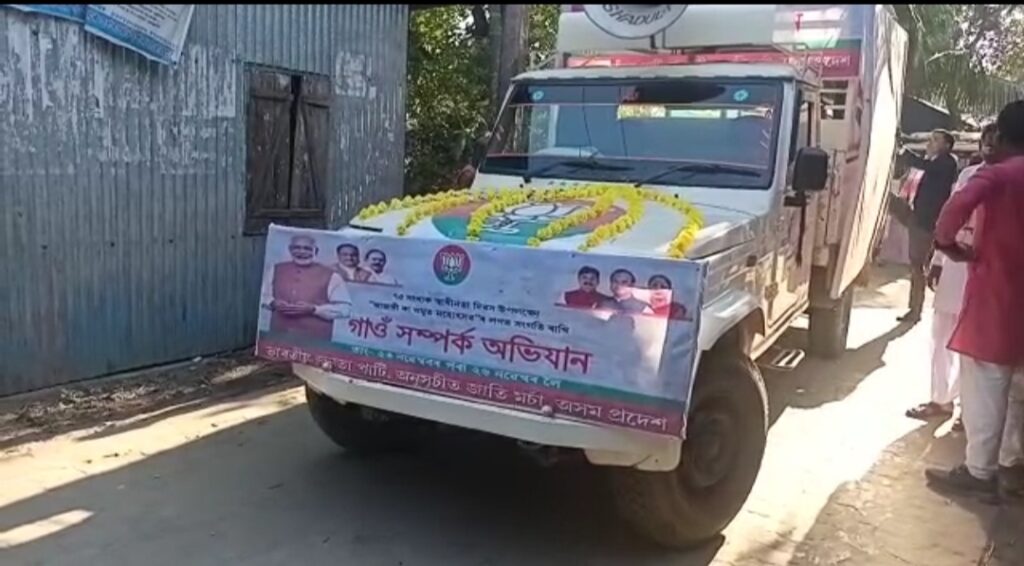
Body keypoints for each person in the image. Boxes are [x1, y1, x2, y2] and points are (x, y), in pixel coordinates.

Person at [924, 102, 1024, 495]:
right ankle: (1013, 461)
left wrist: (948, 246)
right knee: (1017, 386)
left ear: (1002, 134)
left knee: (986, 381)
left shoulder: (996, 175)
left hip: (998, 290)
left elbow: (952, 213)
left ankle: (980, 472)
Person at [906, 125, 998, 426]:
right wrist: (938, 260)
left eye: (996, 142)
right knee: (941, 335)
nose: (989, 147)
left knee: (977, 346)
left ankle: (967, 408)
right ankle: (940, 399)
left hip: (991, 273)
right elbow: (951, 218)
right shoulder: (969, 176)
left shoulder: (1013, 181)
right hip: (956, 265)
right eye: (986, 141)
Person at [891, 129, 959, 323]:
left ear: (946, 145)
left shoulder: (947, 162)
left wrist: (904, 150)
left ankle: (915, 310)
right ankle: (914, 309)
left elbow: (923, 165)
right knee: (888, 200)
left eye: (935, 140)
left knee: (917, 266)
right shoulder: (937, 162)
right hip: (917, 216)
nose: (930, 143)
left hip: (925, 223)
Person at [260, 235, 353, 341]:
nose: (302, 252)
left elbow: (345, 309)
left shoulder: (332, 275)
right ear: (290, 249)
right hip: (278, 339)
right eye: (297, 247)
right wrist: (273, 303)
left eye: (307, 248)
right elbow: (263, 296)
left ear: (315, 251)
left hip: (315, 341)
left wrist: (314, 309)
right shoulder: (275, 269)